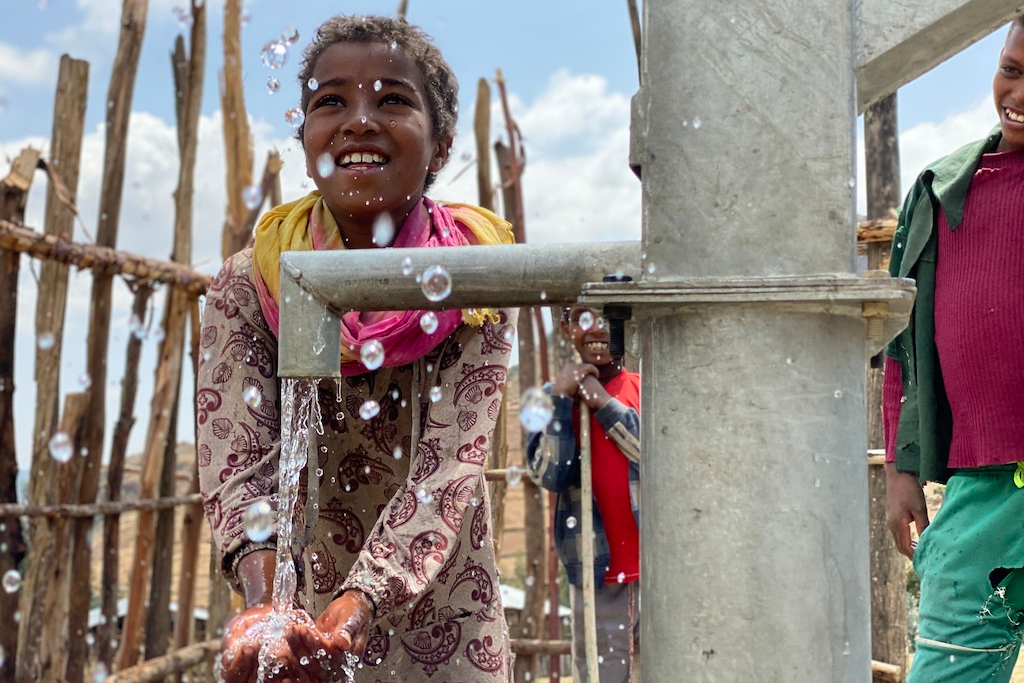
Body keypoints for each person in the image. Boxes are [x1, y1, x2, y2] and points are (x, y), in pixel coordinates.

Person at [197, 15, 517, 683]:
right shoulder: (252, 280)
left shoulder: (479, 276)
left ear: (441, 146)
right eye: (330, 102)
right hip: (294, 617)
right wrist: (264, 604)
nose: (359, 121)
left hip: (447, 615)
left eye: (392, 99)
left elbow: (446, 468)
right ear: (305, 137)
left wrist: (362, 599)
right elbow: (236, 456)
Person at [884, 14, 1024, 683]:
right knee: (950, 671)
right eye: (1013, 70)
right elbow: (902, 346)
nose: (1018, 92)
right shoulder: (943, 192)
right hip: (982, 493)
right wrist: (901, 468)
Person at [524, 306, 640, 683]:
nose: (598, 329)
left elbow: (655, 453)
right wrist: (561, 399)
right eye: (583, 317)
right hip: (598, 577)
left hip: (661, 573)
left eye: (609, 318)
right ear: (566, 328)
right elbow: (550, 474)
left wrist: (602, 404)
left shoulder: (647, 387)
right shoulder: (547, 400)